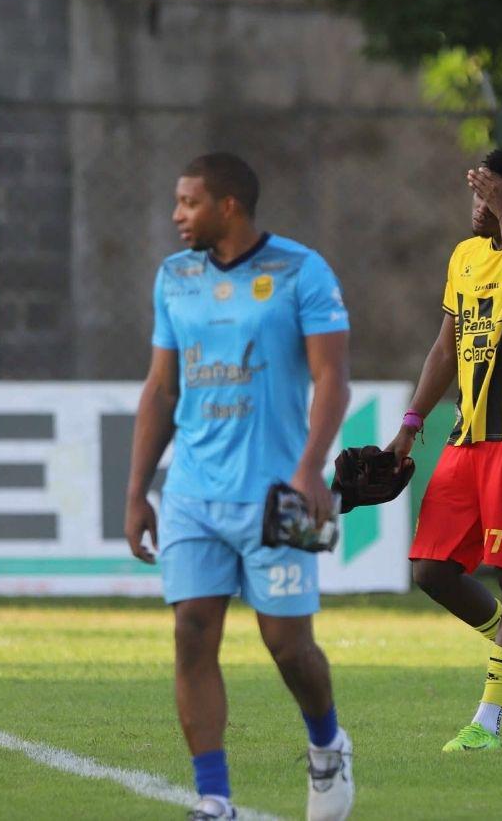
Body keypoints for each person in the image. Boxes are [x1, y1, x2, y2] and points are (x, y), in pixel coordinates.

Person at [123, 153, 353, 821]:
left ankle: (327, 744)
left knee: (288, 646)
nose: (176, 215)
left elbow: (333, 378)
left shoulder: (301, 272)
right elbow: (162, 388)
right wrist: (139, 490)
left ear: (228, 206)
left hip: (280, 493)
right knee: (192, 633)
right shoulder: (174, 277)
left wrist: (311, 467)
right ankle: (213, 798)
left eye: (188, 202)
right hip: (193, 491)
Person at [385, 146, 502, 752]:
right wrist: (411, 425)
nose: (477, 205)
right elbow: (446, 349)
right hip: (467, 439)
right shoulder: (465, 255)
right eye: (476, 193)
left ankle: (487, 723)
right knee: (431, 569)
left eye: (489, 193)